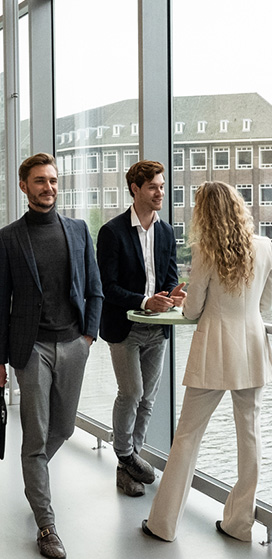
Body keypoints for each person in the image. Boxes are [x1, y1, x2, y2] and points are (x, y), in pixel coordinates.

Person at [143, 182, 272, 542]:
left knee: (187, 436)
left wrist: (184, 301)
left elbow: (194, 308)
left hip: (214, 351)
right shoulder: (265, 248)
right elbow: (266, 302)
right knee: (250, 435)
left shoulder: (206, 253)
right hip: (252, 349)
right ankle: (239, 524)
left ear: (204, 214)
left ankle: (163, 525)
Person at [0, 153, 102, 559]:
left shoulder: (77, 230)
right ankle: (46, 524)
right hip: (30, 348)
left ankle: (33, 475)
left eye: (53, 181)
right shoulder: (9, 238)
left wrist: (89, 335)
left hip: (74, 344)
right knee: (35, 437)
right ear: (24, 186)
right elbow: (0, 303)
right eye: (39, 181)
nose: (48, 188)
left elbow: (95, 287)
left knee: (65, 428)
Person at [97, 160, 185, 497]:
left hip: (157, 330)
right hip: (125, 326)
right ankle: (126, 454)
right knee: (131, 392)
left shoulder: (165, 231)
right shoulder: (112, 232)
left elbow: (170, 276)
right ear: (135, 189)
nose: (160, 192)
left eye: (162, 186)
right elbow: (107, 286)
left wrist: (173, 294)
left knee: (147, 399)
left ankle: (126, 469)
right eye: (153, 187)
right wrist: (146, 301)